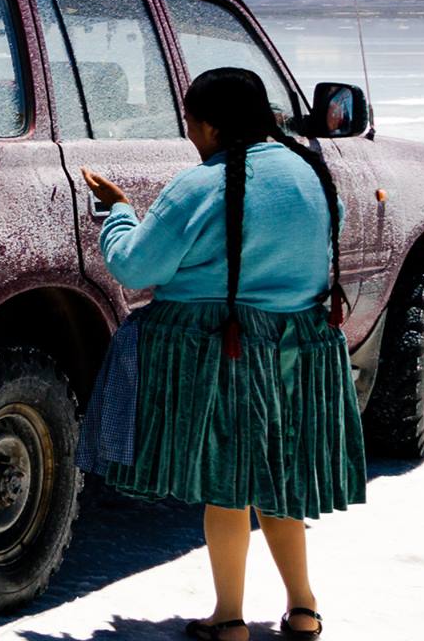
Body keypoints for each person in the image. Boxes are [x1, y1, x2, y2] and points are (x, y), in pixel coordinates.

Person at [80, 67, 366, 640]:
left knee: (226, 484)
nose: (190, 135)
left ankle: (228, 618)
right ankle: (303, 607)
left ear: (209, 123)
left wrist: (118, 211)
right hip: (298, 349)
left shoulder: (200, 184)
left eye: (191, 122)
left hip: (220, 349)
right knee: (279, 480)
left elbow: (135, 267)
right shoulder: (310, 174)